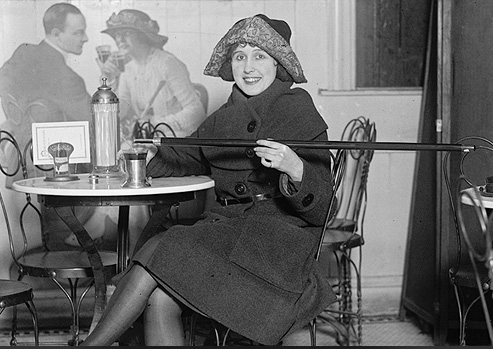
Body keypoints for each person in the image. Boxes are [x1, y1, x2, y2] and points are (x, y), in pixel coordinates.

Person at [81, 14, 337, 346]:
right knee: (159, 296)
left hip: (277, 247)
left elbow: (324, 211)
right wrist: (145, 156)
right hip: (228, 238)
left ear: (279, 65)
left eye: (260, 56)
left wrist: (295, 168)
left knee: (162, 244)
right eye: (239, 56)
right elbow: (185, 158)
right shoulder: (221, 120)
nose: (248, 67)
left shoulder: (300, 112)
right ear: (230, 65)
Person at [0, 2, 92, 183]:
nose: (86, 38)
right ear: (57, 34)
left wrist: (15, 124)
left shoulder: (24, 52)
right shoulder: (67, 77)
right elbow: (94, 120)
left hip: (17, 158)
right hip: (52, 170)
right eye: (78, 32)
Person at [97, 9, 207, 146]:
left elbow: (196, 112)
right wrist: (109, 80)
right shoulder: (128, 70)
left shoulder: (167, 63)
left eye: (126, 33)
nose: (120, 40)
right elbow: (120, 113)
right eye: (117, 35)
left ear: (142, 36)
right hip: (147, 141)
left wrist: (156, 125)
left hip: (176, 140)